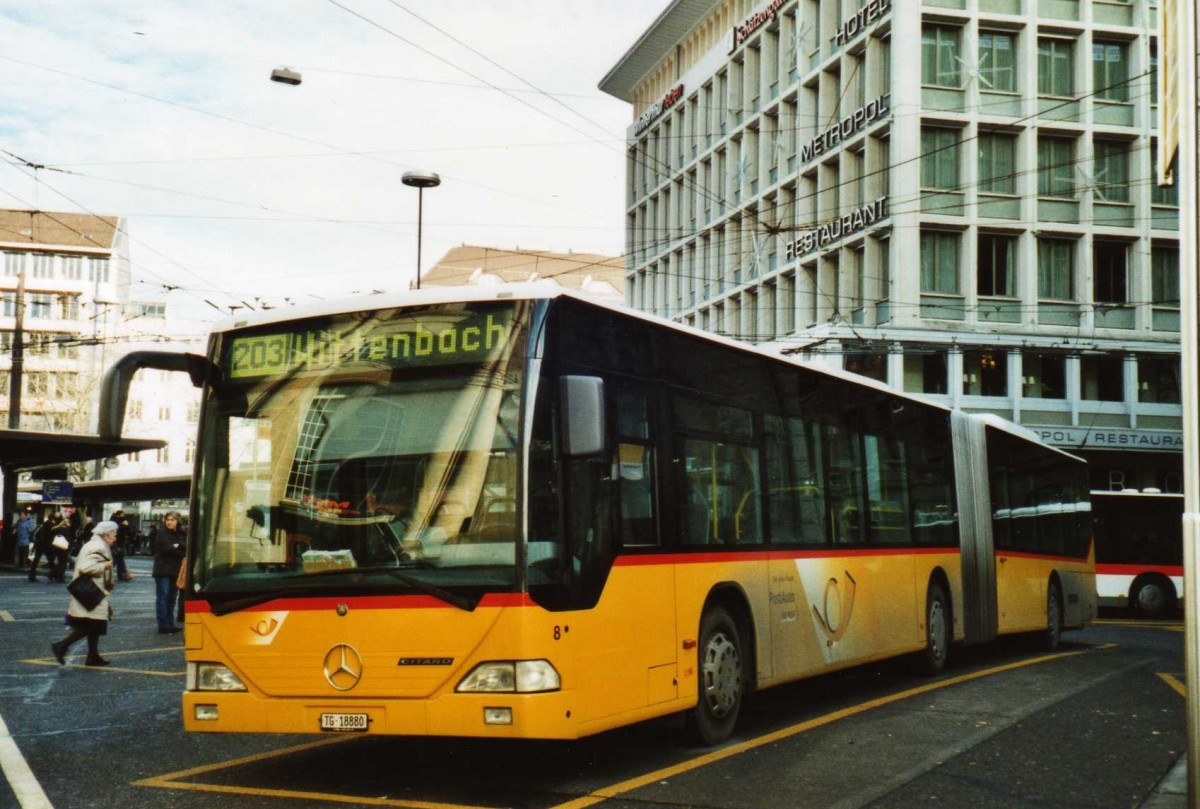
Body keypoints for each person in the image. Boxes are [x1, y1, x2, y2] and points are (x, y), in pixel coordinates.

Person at [51, 520, 119, 667]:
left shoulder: (97, 544)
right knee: (91, 625)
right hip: (91, 591)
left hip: (93, 589)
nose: (115, 537)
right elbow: (85, 568)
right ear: (105, 534)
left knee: (95, 623)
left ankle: (92, 656)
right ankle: (62, 645)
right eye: (114, 534)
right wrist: (104, 566)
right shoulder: (97, 546)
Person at [152, 512, 186, 633]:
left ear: (177, 521)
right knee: (163, 597)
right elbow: (166, 549)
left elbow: (185, 549)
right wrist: (176, 548)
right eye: (167, 519)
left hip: (175, 570)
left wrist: (177, 546)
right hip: (163, 570)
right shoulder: (161, 533)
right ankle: (163, 625)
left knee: (172, 598)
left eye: (172, 520)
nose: (169, 522)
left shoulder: (181, 533)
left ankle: (170, 623)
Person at [28, 512, 58, 582]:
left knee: (36, 560)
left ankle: (31, 575)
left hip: (39, 544)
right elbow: (52, 533)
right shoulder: (50, 525)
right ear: (53, 519)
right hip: (46, 545)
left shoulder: (44, 524)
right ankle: (53, 575)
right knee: (51, 560)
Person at [109, 509, 135, 582]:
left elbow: (129, 532)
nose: (123, 516)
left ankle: (123, 574)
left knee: (119, 559)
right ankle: (122, 574)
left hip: (118, 543)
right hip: (117, 543)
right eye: (122, 515)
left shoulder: (115, 521)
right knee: (116, 560)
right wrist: (125, 525)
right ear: (118, 515)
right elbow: (125, 532)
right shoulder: (117, 522)